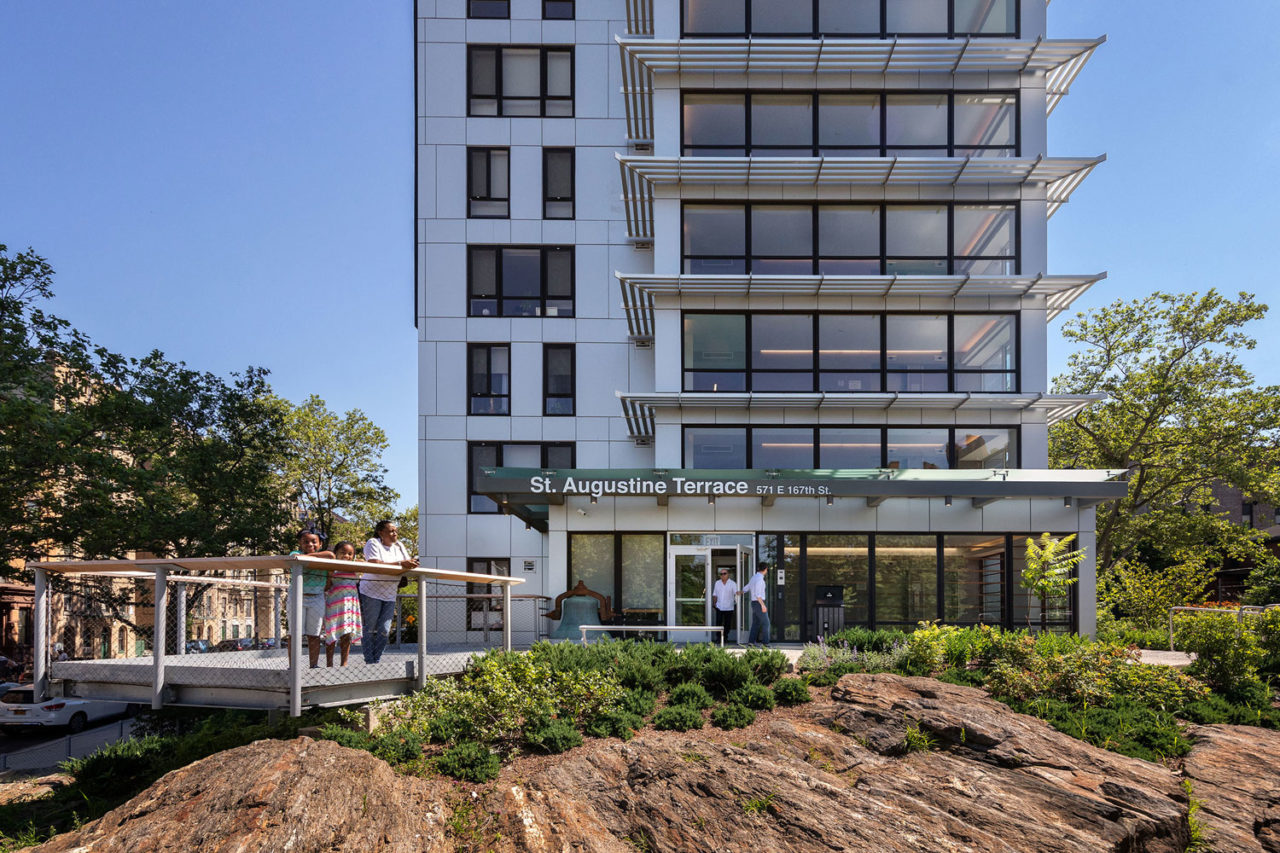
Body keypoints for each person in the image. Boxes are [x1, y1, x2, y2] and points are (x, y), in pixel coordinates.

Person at [360, 519, 418, 664]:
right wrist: (400, 564)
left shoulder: (399, 546)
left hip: (390, 592)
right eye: (391, 531)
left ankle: (376, 660)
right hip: (371, 591)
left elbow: (407, 563)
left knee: (385, 629)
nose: (395, 533)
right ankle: (370, 660)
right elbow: (374, 564)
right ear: (381, 532)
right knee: (370, 627)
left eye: (396, 531)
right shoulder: (373, 543)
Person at [289, 529, 335, 668]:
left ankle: (313, 665)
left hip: (317, 598)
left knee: (314, 634)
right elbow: (298, 558)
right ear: (300, 544)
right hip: (297, 597)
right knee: (295, 633)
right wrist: (311, 556)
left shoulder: (325, 557)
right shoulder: (295, 554)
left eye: (314, 541)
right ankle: (293, 666)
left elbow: (331, 555)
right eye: (305, 542)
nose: (310, 544)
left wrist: (312, 556)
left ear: (320, 543)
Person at [323, 541, 363, 667]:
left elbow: (363, 563)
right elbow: (327, 586)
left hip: (350, 606)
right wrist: (330, 575)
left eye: (350, 554)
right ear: (336, 554)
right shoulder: (333, 568)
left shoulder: (355, 569)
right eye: (343, 553)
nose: (346, 556)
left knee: (346, 635)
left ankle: (344, 663)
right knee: (331, 634)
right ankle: (329, 663)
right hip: (334, 606)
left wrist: (356, 561)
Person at [745, 561, 770, 648]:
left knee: (756, 623)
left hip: (754, 603)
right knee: (766, 623)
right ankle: (765, 643)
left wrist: (742, 591)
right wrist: (763, 605)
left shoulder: (754, 577)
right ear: (765, 569)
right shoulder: (760, 580)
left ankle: (751, 642)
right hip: (759, 603)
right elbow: (758, 594)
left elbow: (748, 586)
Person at [711, 567, 739, 644]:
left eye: (724, 573)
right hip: (719, 606)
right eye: (721, 574)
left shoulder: (733, 584)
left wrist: (737, 602)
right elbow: (715, 594)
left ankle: (725, 638)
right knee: (718, 623)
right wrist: (714, 604)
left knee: (727, 624)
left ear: (728, 575)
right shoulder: (717, 583)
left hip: (729, 607)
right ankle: (718, 638)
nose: (723, 575)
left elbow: (736, 594)